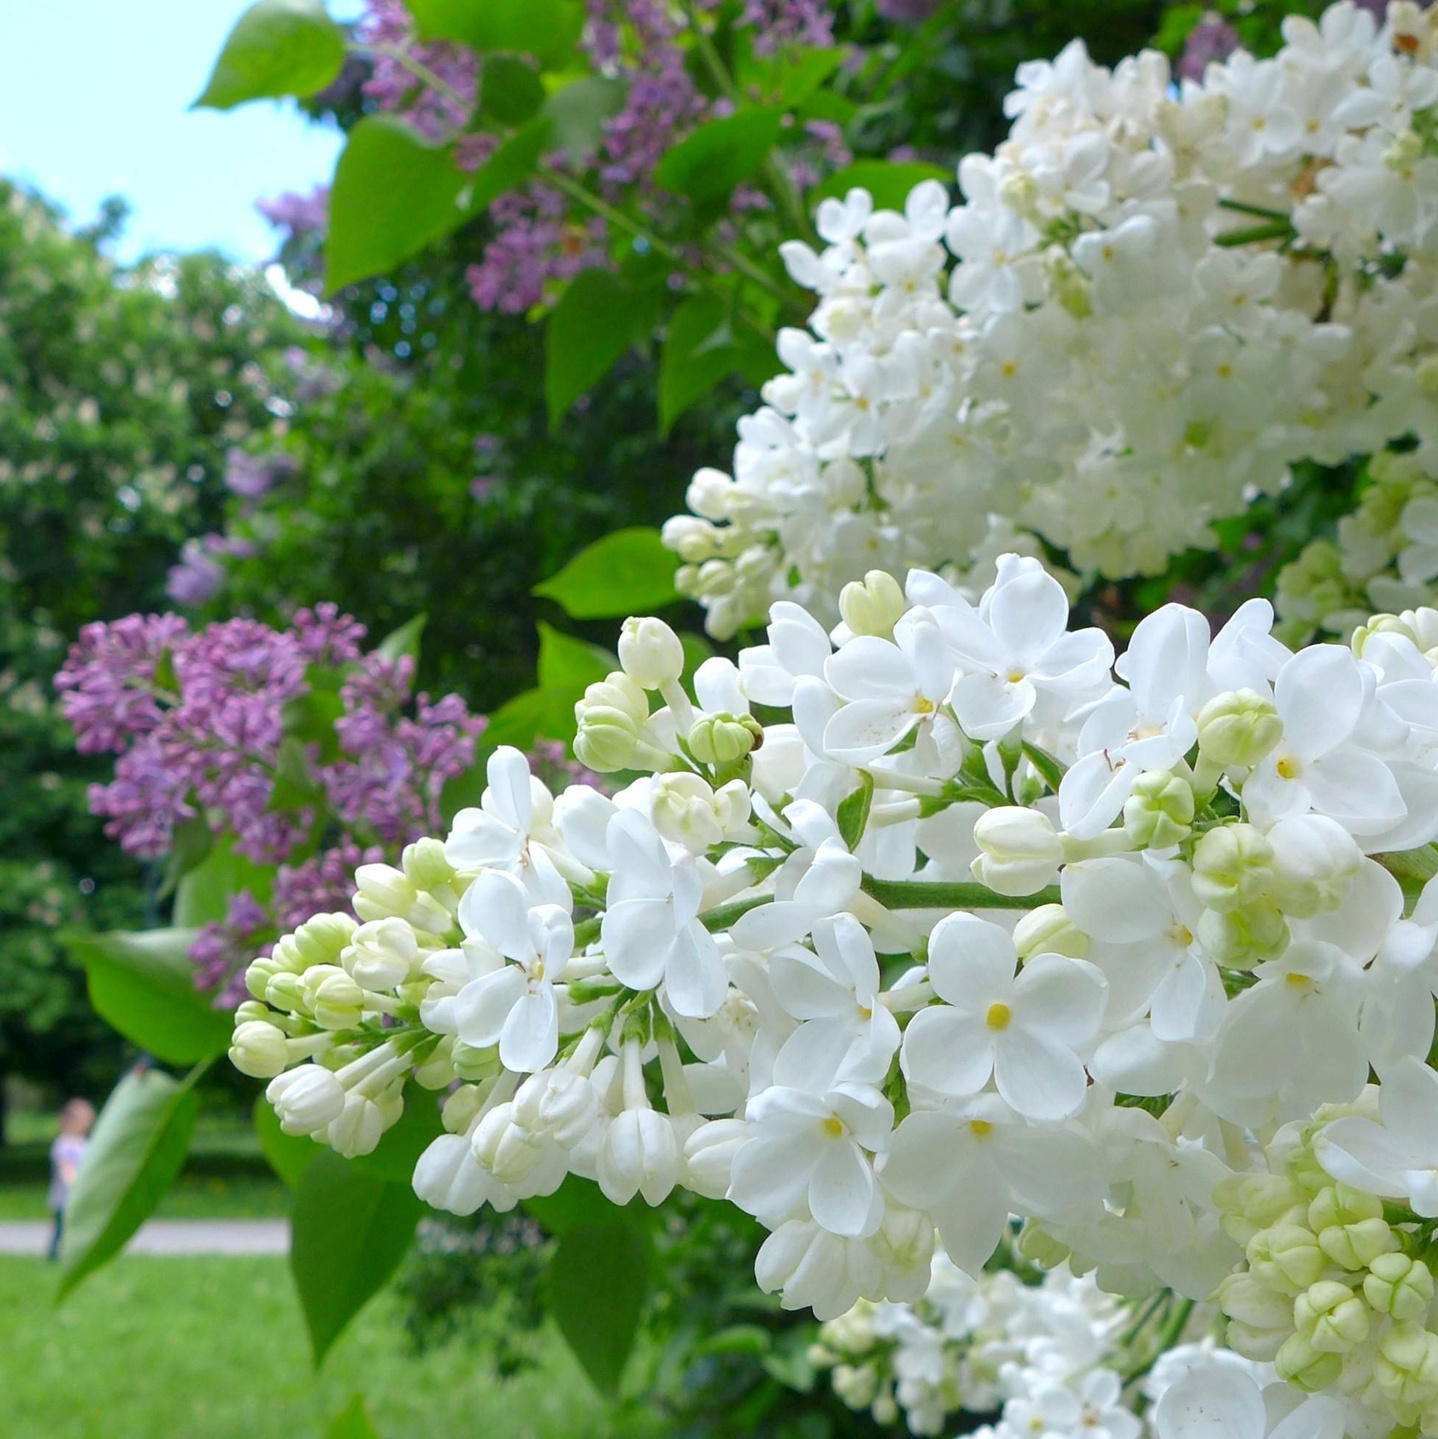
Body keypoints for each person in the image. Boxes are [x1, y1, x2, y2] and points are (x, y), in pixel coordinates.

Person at [47, 1098, 94, 1262]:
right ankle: (54, 1256)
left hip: (82, 1195)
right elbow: (65, 1169)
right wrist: (74, 1184)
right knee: (62, 1229)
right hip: (64, 1198)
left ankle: (74, 1254)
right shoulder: (64, 1144)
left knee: (78, 1227)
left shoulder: (82, 1143)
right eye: (85, 1119)